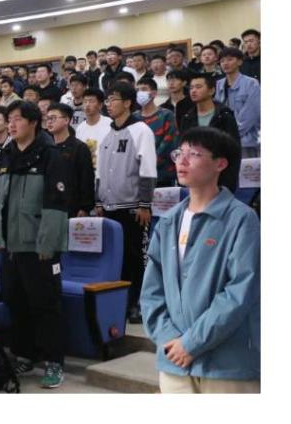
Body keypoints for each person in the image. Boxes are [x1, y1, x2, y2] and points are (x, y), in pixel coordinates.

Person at [141, 128, 259, 392]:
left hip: (226, 365)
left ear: (220, 164)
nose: (182, 161)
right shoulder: (168, 222)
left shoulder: (242, 219)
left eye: (194, 154)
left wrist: (191, 343)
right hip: (174, 362)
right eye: (179, 153)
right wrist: (170, 340)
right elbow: (151, 292)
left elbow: (241, 290)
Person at [0, 101, 70, 389]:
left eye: (17, 119)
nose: (11, 124)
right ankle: (25, 354)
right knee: (15, 301)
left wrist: (48, 244)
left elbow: (57, 202)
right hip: (11, 246)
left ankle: (54, 361)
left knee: (46, 304)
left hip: (39, 246)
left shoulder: (50, 154)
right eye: (9, 119)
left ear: (33, 122)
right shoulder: (7, 154)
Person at [95, 82, 158, 322]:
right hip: (109, 207)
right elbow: (99, 171)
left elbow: (148, 169)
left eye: (113, 99)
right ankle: (121, 302)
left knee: (135, 257)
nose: (108, 104)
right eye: (107, 100)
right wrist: (98, 201)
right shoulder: (107, 133)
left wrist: (144, 204)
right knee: (116, 259)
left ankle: (140, 303)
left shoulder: (141, 130)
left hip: (132, 207)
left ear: (128, 103)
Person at [44, 104, 95, 216]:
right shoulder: (45, 148)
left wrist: (84, 207)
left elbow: (86, 179)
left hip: (72, 208)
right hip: (49, 208)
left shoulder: (79, 148)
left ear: (66, 120)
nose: (49, 122)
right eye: (47, 118)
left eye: (53, 118)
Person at [215, 46, 260, 156]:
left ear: (239, 62)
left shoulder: (251, 83)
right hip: (223, 140)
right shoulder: (219, 84)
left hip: (246, 141)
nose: (225, 63)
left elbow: (251, 114)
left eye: (230, 59)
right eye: (222, 61)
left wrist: (231, 133)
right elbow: (217, 111)